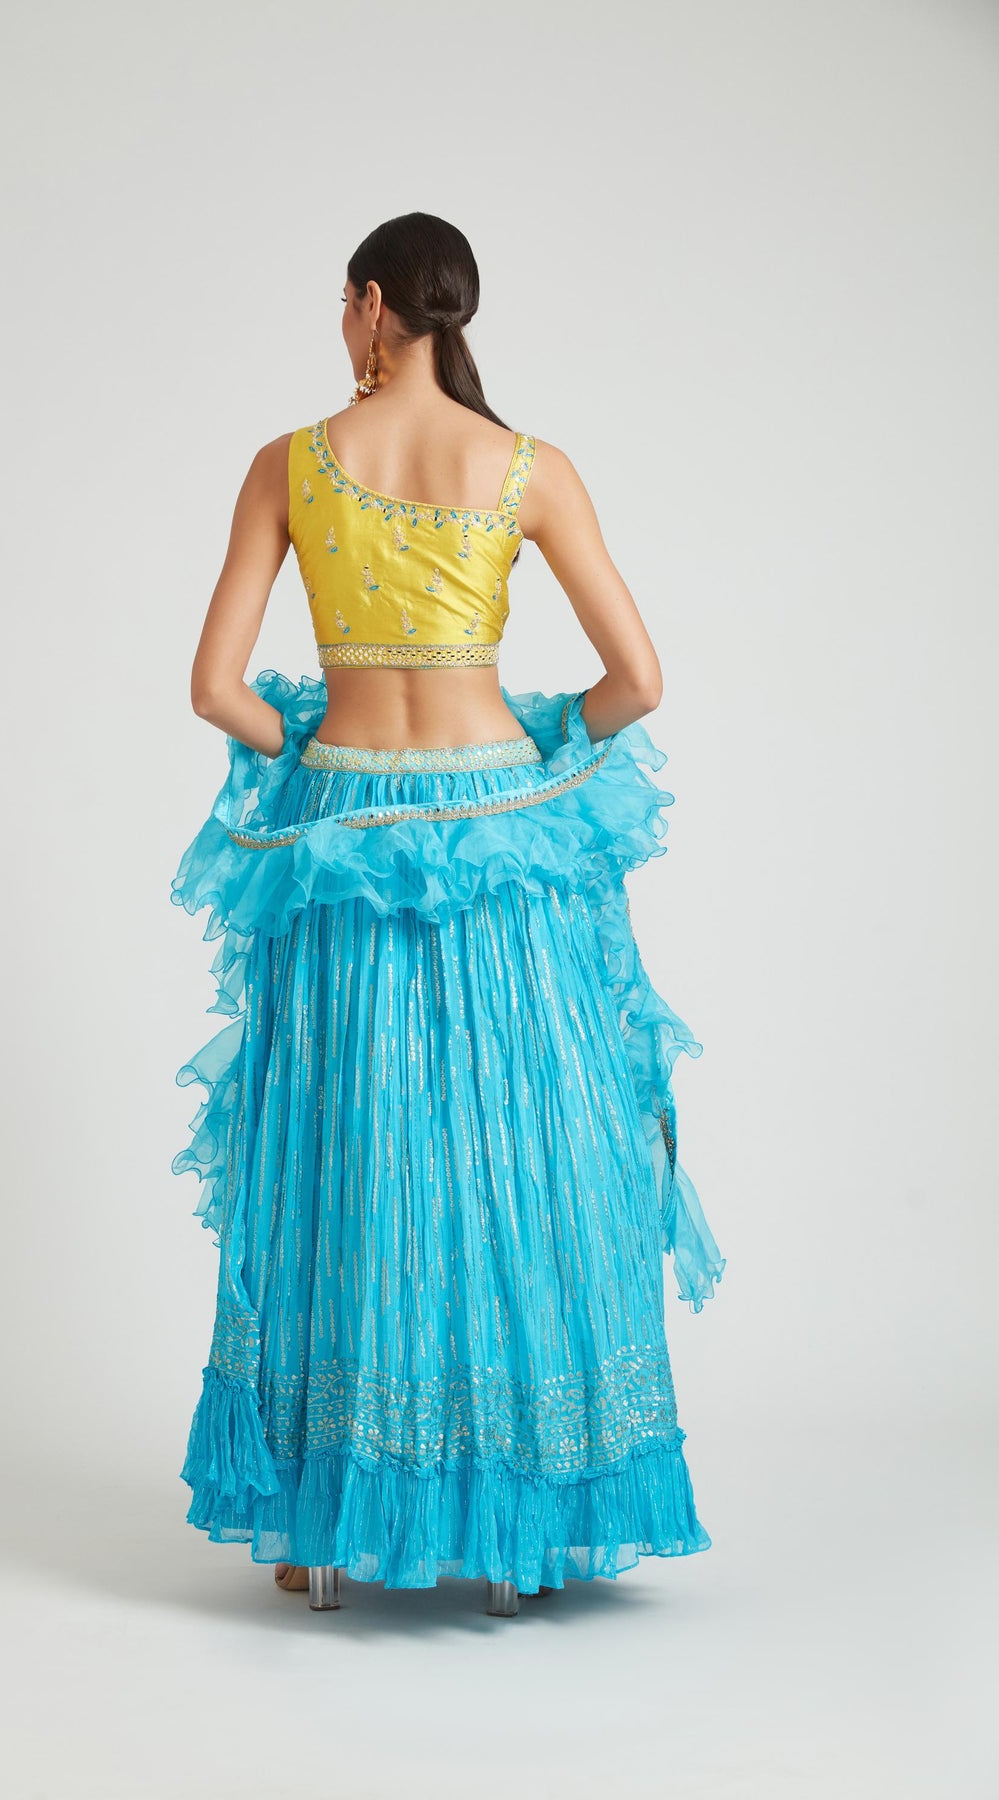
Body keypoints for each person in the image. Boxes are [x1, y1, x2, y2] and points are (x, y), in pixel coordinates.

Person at [170, 211, 725, 1615]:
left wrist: (309, 750)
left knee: (344, 1151)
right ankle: (515, 1518)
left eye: (342, 305)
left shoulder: (290, 465)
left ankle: (322, 1520)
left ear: (372, 305)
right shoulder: (526, 467)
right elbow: (639, 682)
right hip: (497, 831)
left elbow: (217, 689)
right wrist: (541, 750)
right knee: (514, 1148)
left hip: (348, 834)